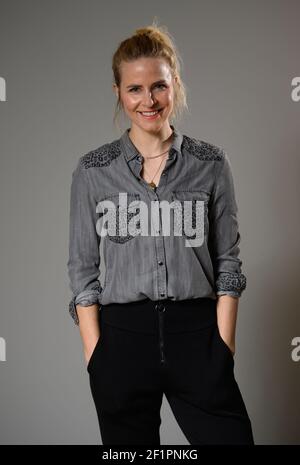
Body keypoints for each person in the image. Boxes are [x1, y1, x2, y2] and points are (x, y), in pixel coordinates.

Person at [67, 22, 254, 445]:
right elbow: (82, 270)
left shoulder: (210, 163)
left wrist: (223, 346)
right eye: (134, 89)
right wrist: (95, 353)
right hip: (122, 338)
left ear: (175, 86)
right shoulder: (93, 170)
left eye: (158, 86)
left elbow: (228, 261)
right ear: (118, 92)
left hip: (197, 333)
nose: (148, 100)